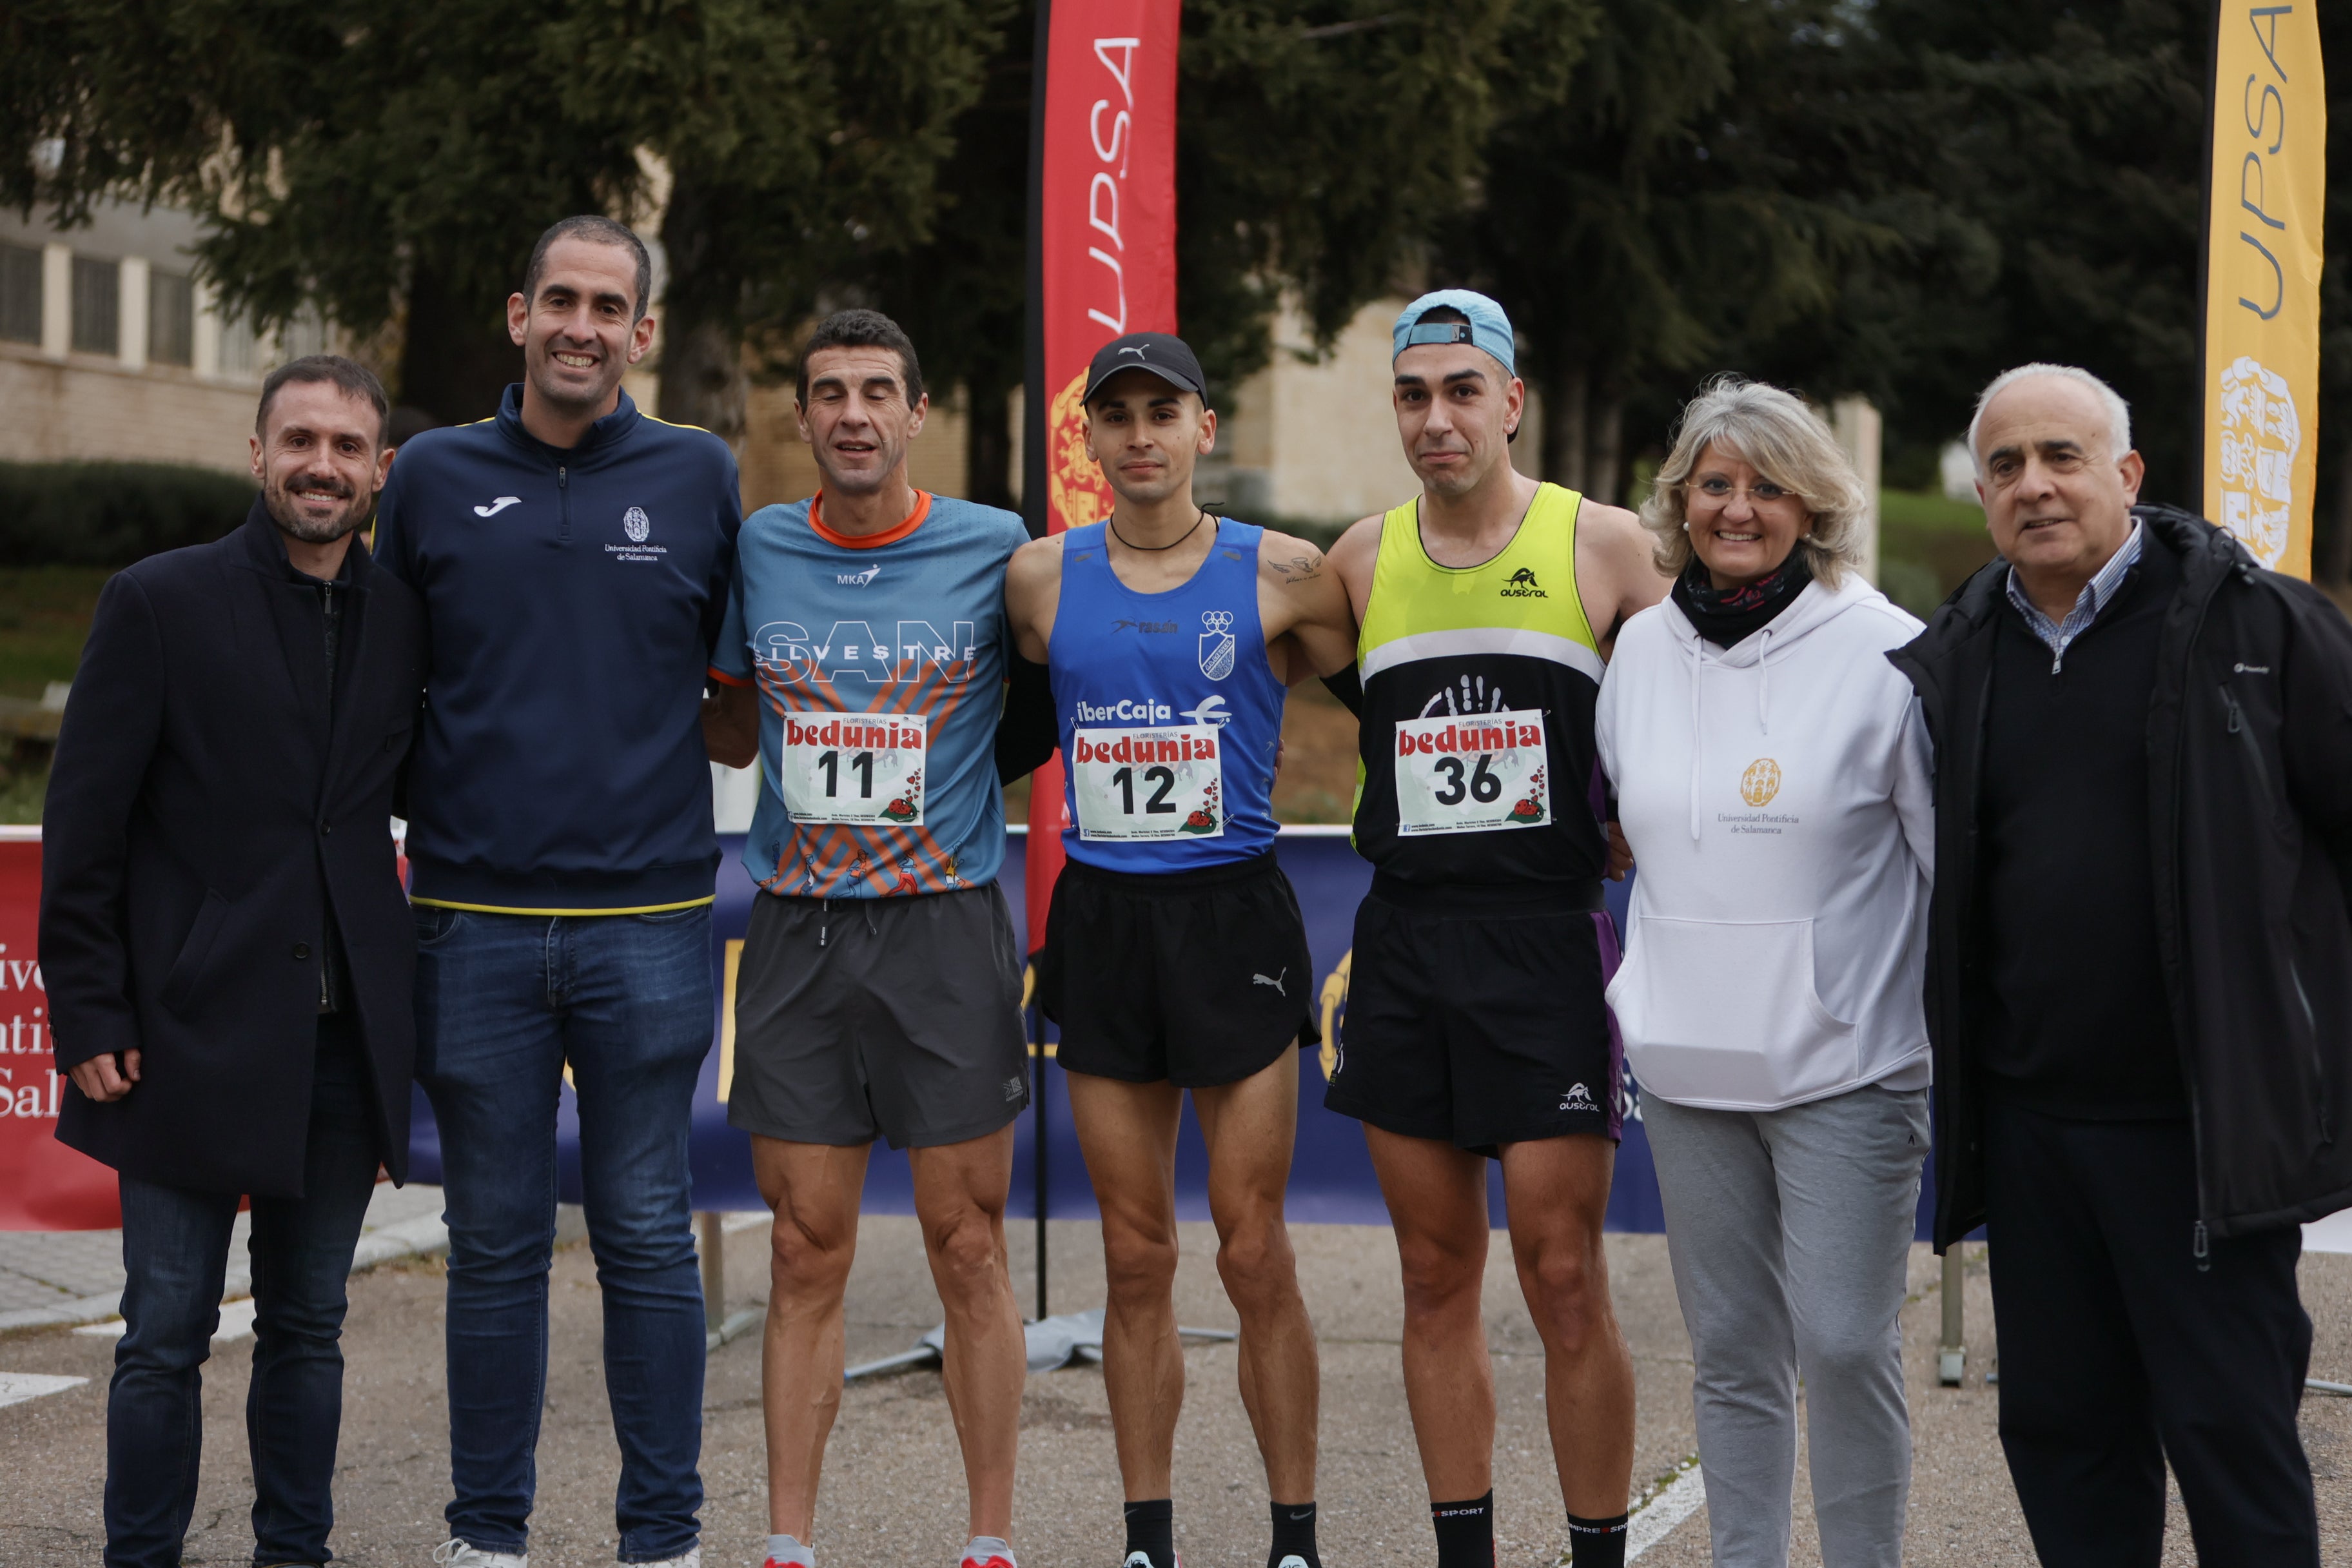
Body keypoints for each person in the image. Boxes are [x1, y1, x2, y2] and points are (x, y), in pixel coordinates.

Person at [1889, 363, 2349, 1565]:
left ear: (2128, 474)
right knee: (2068, 1444)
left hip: (2198, 1132)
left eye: (2063, 456)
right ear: (1983, 494)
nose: (2034, 486)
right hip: (2033, 1133)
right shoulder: (1960, 653)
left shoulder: (2260, 626)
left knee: (2234, 1442)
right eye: (2005, 466)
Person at [371, 215, 745, 1568]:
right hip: (469, 920)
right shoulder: (429, 476)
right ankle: (487, 1539)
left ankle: (664, 1539)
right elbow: (381, 686)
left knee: (646, 1237)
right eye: (561, 300)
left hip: (648, 922)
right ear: (518, 314)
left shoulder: (701, 475)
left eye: (609, 307)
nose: (583, 326)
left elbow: (738, 709)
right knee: (493, 1246)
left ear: (642, 332)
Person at [43, 356, 425, 1568]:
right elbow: (84, 827)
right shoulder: (159, 601)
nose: (322, 465)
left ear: (380, 472)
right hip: (185, 1035)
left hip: (342, 1047)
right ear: (258, 454)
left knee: (310, 1328)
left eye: (347, 447)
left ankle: (293, 1554)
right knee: (164, 1331)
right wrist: (89, 1010)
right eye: (299, 440)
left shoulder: (405, 619)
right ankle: (141, 1555)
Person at [1322, 290, 1668, 1568]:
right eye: (1414, 394)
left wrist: (1641, 808)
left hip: (1546, 943)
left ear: (1512, 400)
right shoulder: (1360, 561)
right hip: (1407, 943)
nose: (1438, 418)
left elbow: (1703, 686)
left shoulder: (1608, 545)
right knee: (1431, 1276)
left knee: (1563, 1274)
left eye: (1463, 390)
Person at [1002, 331, 1358, 1568]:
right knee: (1134, 1253)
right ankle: (1147, 1537)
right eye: (1119, 416)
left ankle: (1295, 1537)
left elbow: (1395, 700)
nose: (1142, 435)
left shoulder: (1288, 573)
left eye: (1165, 412)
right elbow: (996, 731)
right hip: (1105, 924)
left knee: (1252, 1248)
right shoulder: (1040, 579)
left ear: (1205, 429)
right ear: (1090, 438)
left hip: (1231, 918)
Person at [700, 308, 1033, 1568]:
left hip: (943, 926)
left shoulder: (994, 545)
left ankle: (989, 1537)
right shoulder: (762, 546)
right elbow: (732, 724)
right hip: (799, 927)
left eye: (877, 390)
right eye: (830, 392)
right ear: (801, 418)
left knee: (968, 1243)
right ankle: (788, 1540)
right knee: (802, 1248)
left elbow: (1059, 690)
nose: (853, 413)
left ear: (916, 412)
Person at [1594, 377, 1932, 1567]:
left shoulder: (1887, 649)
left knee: (1844, 1343)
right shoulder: (1640, 649)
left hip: (1848, 1065)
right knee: (1733, 1356)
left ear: (1814, 504)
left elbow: (1942, 864)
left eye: (1767, 487)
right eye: (1715, 484)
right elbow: (1630, 832)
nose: (1737, 509)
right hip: (1688, 1068)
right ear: (1681, 500)